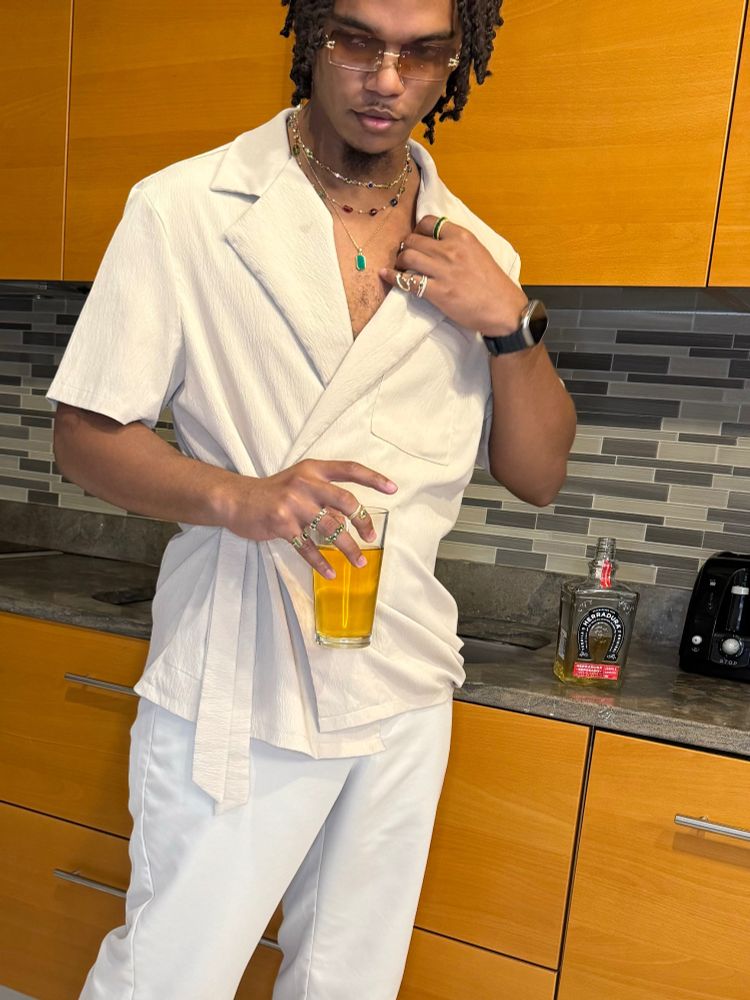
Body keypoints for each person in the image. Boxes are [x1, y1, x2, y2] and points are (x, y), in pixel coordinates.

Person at [48, 0, 576, 996]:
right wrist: (237, 498)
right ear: (310, 37)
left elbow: (538, 474)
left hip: (402, 672)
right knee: (171, 975)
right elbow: (83, 433)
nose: (388, 78)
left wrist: (512, 322)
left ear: (456, 63)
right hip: (242, 666)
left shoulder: (481, 256)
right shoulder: (187, 209)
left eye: (422, 52)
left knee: (350, 980)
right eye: (357, 40)